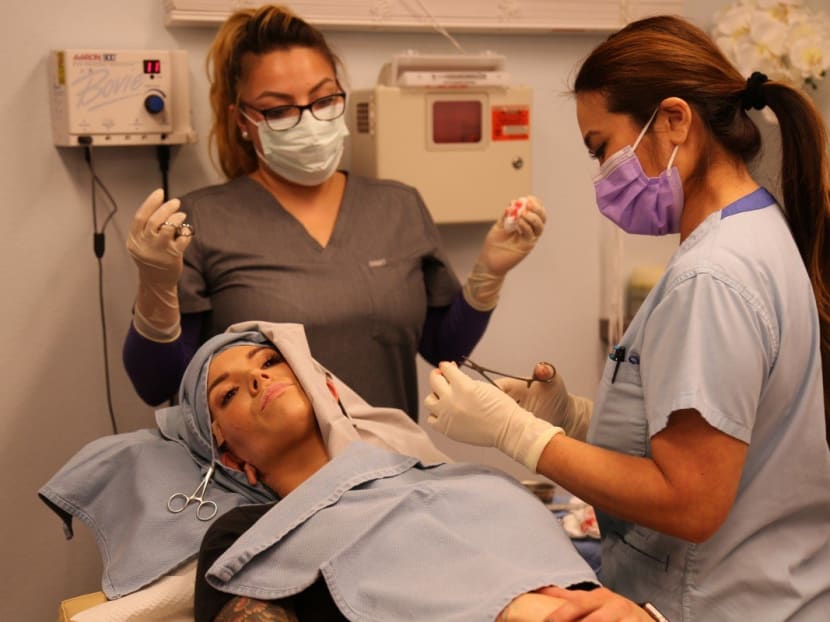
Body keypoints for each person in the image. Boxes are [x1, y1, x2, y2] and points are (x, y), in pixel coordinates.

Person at [423, 15, 830, 622]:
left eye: (603, 147)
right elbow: (717, 437)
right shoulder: (753, 229)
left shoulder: (713, 277)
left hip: (717, 601)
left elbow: (691, 501)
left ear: (673, 121)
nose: (602, 176)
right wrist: (575, 419)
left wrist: (521, 435)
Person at [41, 322, 662, 622]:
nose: (257, 378)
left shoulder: (459, 481)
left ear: (322, 389)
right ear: (230, 456)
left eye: (269, 362)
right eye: (227, 395)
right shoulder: (249, 539)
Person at [122, 3, 545, 418]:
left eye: (324, 100)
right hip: (260, 485)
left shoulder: (398, 207)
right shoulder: (204, 222)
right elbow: (158, 385)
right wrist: (156, 287)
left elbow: (442, 350)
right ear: (242, 121)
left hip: (387, 474)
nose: (309, 120)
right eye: (280, 109)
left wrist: (488, 273)